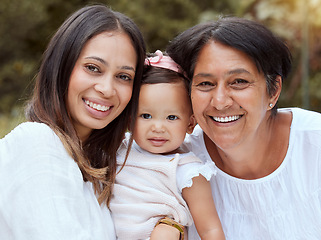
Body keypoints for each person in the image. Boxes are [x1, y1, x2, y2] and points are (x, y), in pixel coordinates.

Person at [166, 16, 321, 239]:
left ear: (274, 90)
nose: (220, 102)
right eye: (205, 84)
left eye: (239, 81)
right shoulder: (175, 161)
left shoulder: (315, 145)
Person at [0, 4, 146, 239]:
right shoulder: (36, 143)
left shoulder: (104, 164)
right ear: (62, 67)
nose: (107, 89)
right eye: (93, 68)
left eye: (123, 77)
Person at [109, 50, 225, 240]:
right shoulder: (120, 148)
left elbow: (210, 230)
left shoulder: (186, 170)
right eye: (146, 116)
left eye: (171, 117)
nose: (158, 127)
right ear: (130, 120)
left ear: (190, 123)